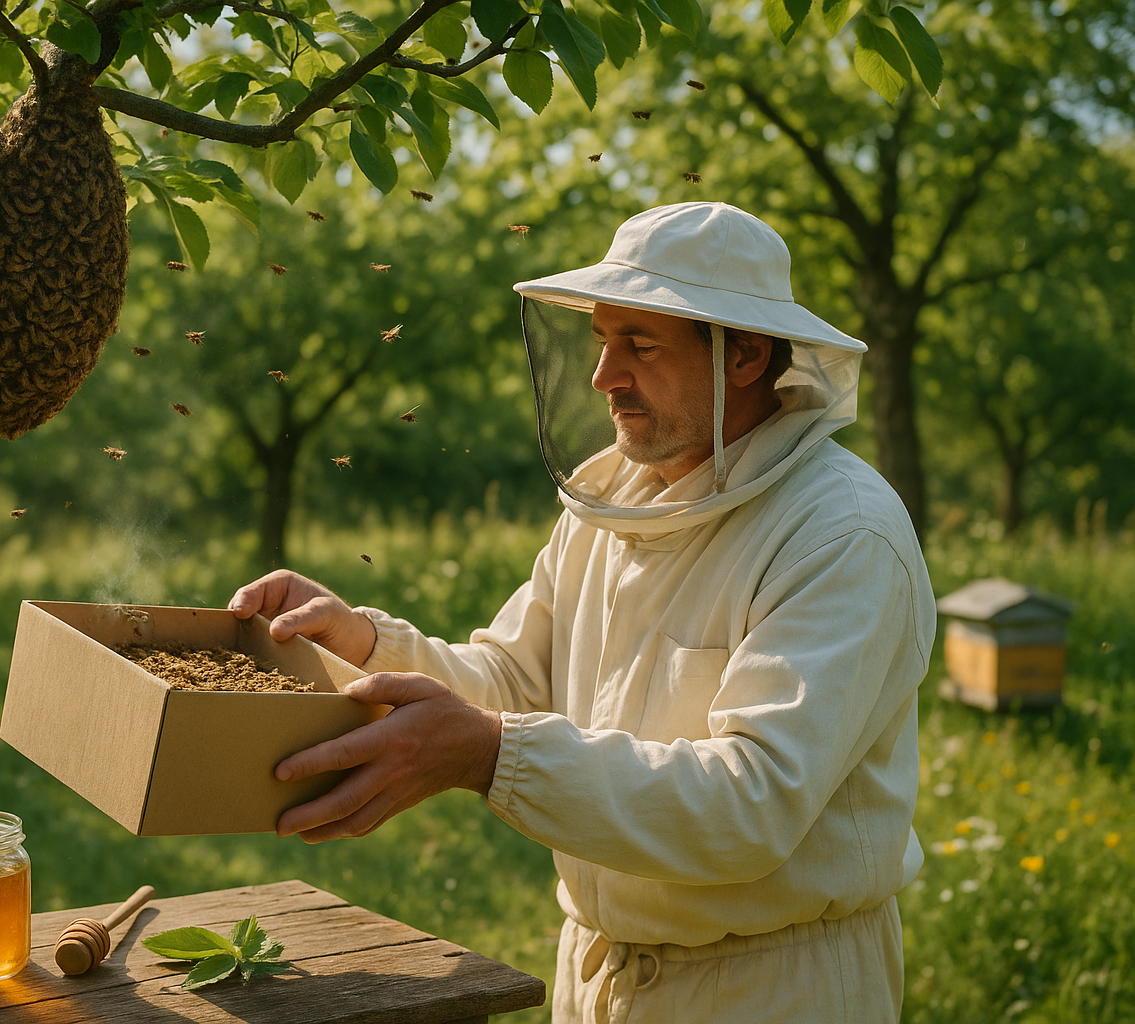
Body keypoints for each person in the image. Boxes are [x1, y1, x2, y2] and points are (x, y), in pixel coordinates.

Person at [229, 202, 934, 1023]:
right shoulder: (617, 502)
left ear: (743, 355)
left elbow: (753, 804)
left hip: (774, 987)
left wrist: (490, 755)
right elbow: (509, 681)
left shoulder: (839, 531)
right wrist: (361, 640)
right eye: (602, 341)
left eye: (639, 344)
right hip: (595, 975)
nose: (603, 376)